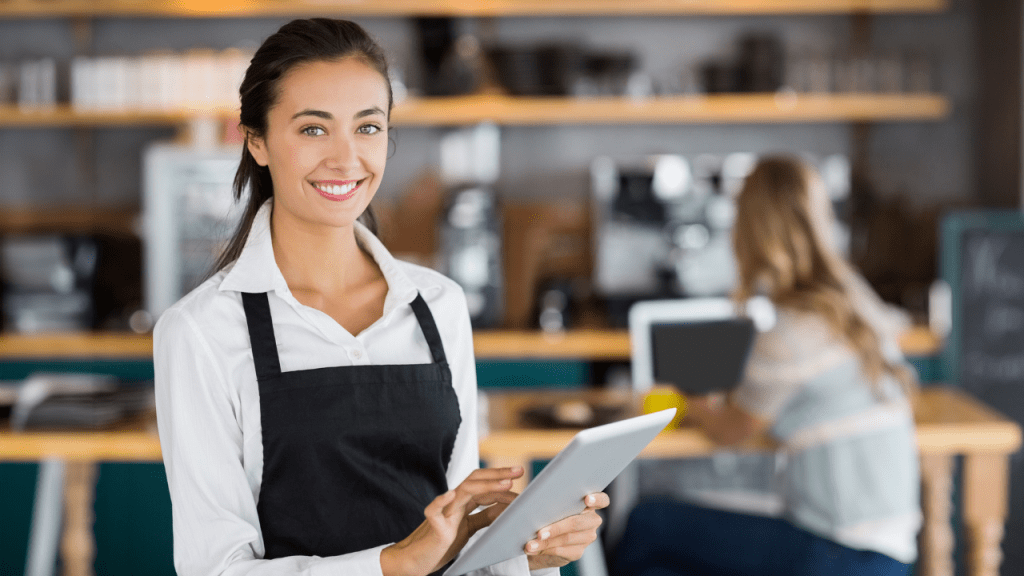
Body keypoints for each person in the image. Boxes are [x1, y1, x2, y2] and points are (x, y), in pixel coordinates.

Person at [154, 18, 608, 576]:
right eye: (313, 130)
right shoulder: (201, 331)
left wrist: (528, 554)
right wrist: (394, 563)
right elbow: (214, 570)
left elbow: (459, 540)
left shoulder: (438, 305)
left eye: (367, 128)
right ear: (257, 140)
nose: (346, 159)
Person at [612, 156, 921, 576]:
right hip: (891, 551)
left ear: (751, 231)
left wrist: (689, 401)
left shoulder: (791, 330)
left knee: (648, 524)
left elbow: (730, 431)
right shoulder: (855, 301)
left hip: (838, 553)